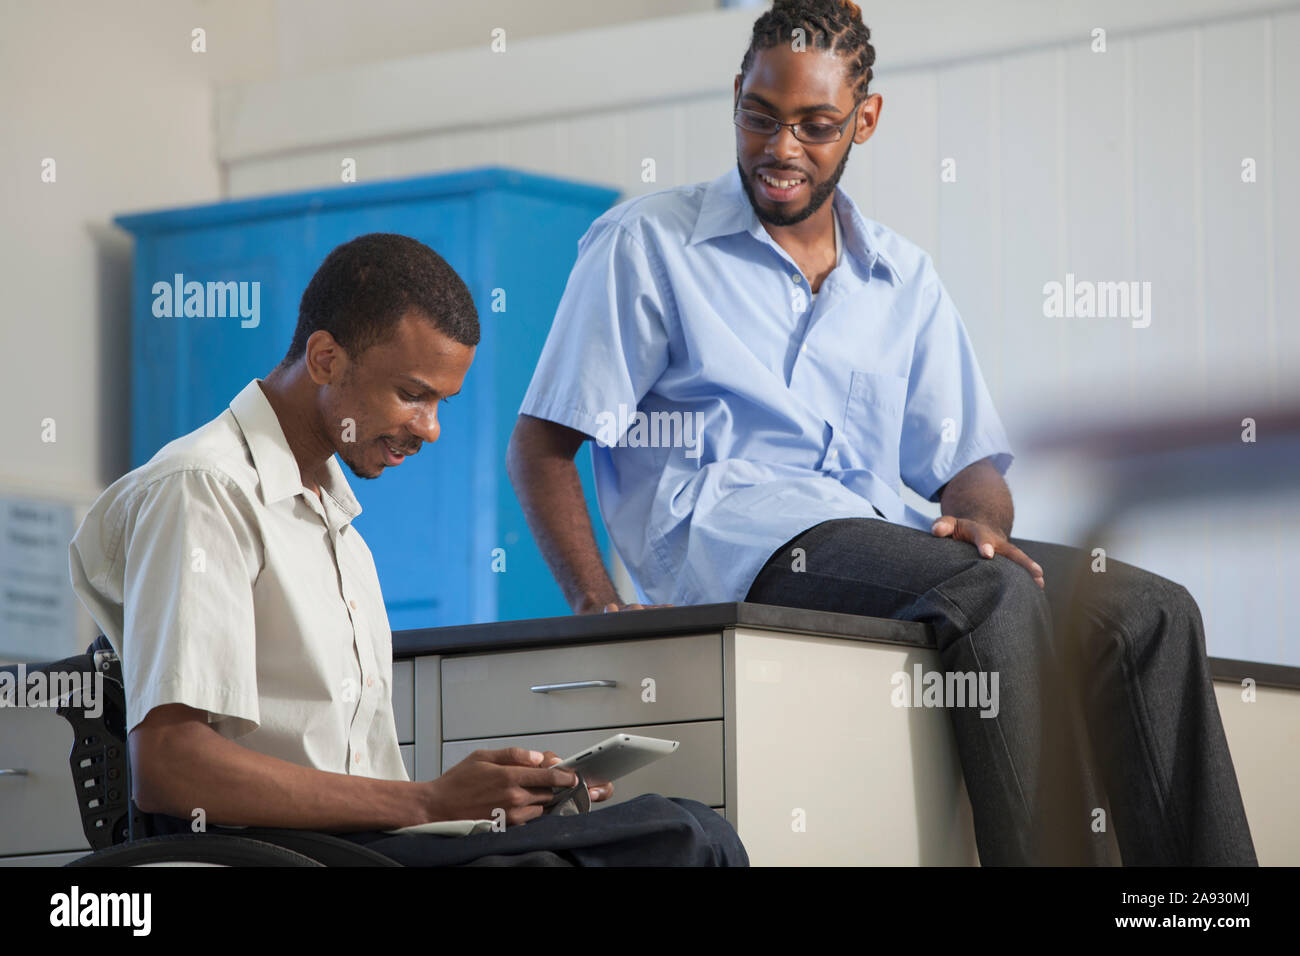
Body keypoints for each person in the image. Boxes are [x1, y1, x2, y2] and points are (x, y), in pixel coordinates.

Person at [506, 0, 1255, 865]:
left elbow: (968, 464)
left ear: (866, 119)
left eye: (815, 126)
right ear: (736, 98)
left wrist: (981, 519)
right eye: (760, 117)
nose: (780, 149)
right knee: (994, 594)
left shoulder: (900, 276)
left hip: (877, 537)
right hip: (738, 539)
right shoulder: (647, 242)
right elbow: (543, 441)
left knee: (1151, 612)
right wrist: (597, 606)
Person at [68, 232, 747, 867]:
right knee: (678, 839)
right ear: (327, 358)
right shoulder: (204, 488)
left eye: (442, 402)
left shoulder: (335, 522)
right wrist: (432, 801)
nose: (431, 428)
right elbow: (169, 767)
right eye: (413, 395)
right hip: (279, 851)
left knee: (685, 828)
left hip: (369, 842)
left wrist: (480, 802)